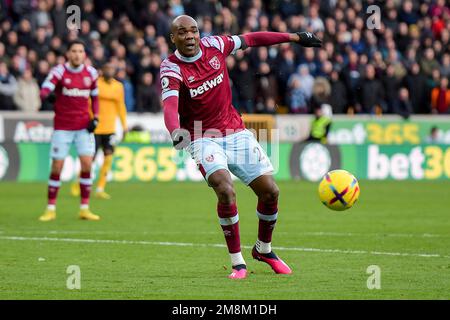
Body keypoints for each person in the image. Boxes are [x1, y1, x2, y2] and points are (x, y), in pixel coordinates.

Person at [160, 15, 321, 279]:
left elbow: (253, 39)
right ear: (173, 38)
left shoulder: (215, 45)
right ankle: (238, 262)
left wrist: (293, 37)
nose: (189, 36)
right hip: (201, 136)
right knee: (224, 188)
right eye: (182, 32)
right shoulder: (171, 69)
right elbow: (169, 107)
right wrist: (174, 130)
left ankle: (264, 249)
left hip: (235, 130)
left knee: (270, 192)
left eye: (193, 31)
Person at [38, 40, 101, 222]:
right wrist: (47, 96)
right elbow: (45, 88)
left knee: (87, 164)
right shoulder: (59, 71)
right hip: (63, 127)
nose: (77, 54)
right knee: (57, 166)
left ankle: (84, 208)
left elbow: (96, 99)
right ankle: (50, 208)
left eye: (80, 51)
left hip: (83, 127)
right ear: (68, 54)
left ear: (85, 55)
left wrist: (95, 117)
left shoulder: (91, 73)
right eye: (73, 51)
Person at [71, 62, 128, 200]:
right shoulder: (96, 83)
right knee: (90, 160)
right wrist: (89, 119)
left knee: (108, 158)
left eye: (111, 68)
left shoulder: (118, 87)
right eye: (107, 68)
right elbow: (89, 103)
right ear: (102, 71)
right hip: (96, 128)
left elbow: (121, 106)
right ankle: (77, 184)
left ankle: (100, 188)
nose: (109, 70)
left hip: (110, 129)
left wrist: (124, 126)